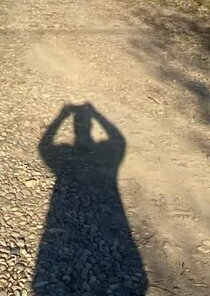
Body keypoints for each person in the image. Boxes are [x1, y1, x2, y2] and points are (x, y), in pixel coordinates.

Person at [33, 103, 146, 295]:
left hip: (59, 218)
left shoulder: (58, 161)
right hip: (109, 220)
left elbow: (44, 146)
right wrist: (96, 114)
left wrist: (61, 117)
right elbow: (118, 140)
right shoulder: (111, 159)